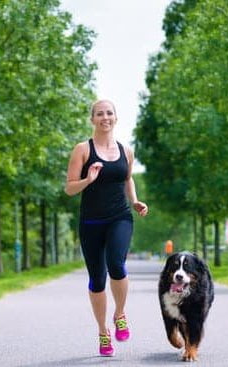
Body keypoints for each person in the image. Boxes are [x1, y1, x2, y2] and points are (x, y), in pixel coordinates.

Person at [65, 99, 148, 357]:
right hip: (91, 221)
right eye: (99, 114)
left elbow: (127, 178)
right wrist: (87, 180)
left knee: (117, 264)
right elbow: (69, 188)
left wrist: (134, 201)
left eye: (109, 113)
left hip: (120, 217)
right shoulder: (82, 150)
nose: (105, 117)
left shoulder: (126, 151)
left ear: (116, 117)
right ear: (92, 119)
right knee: (98, 279)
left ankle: (120, 314)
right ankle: (103, 331)